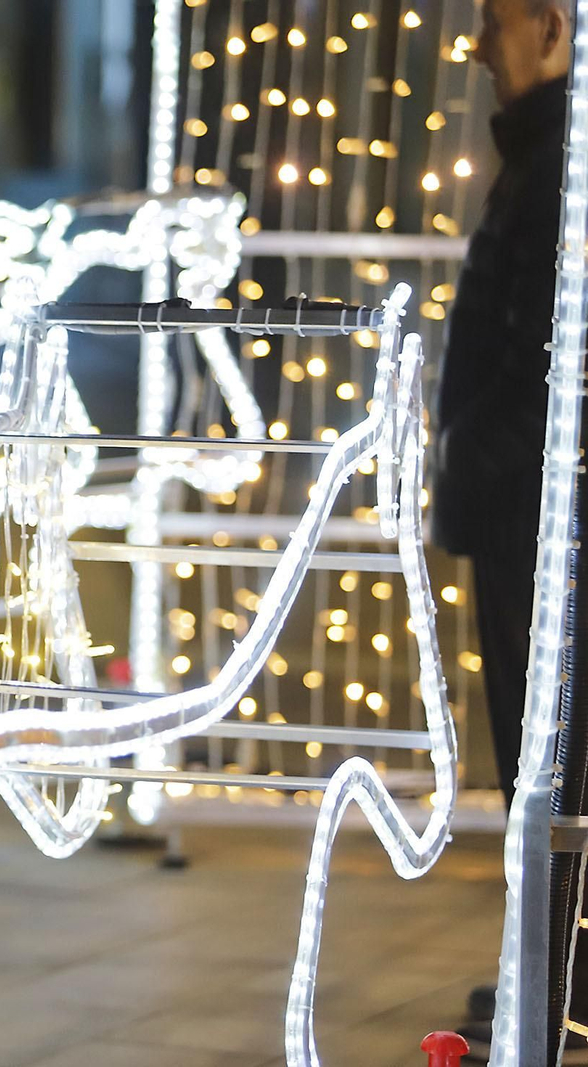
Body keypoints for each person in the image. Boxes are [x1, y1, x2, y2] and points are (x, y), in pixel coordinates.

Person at [432, 1, 576, 1061]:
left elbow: (542, 352)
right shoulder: (542, 154)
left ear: (552, 30)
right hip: (522, 498)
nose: (478, 43)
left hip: (536, 506)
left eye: (495, 21)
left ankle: (555, 978)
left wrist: (467, 452)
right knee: (544, 747)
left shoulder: (560, 161)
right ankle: (549, 970)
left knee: (547, 747)